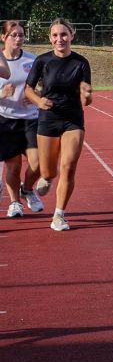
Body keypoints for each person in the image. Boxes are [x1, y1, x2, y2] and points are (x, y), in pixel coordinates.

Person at [24, 18, 93, 231]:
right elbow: (28, 89)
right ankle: (38, 182)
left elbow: (87, 97)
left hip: (73, 119)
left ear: (72, 35)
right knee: (48, 172)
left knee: (68, 167)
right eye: (55, 35)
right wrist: (38, 100)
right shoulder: (43, 61)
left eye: (64, 34)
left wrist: (86, 95)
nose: (59, 39)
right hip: (48, 118)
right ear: (50, 38)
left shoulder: (81, 63)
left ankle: (59, 215)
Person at [0, 20, 44, 218]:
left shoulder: (31, 60)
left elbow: (43, 85)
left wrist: (36, 94)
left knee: (38, 163)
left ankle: (26, 190)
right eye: (14, 35)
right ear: (4, 37)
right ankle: (14, 203)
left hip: (30, 119)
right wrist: (1, 94)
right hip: (6, 120)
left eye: (21, 35)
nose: (18, 39)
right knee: (13, 165)